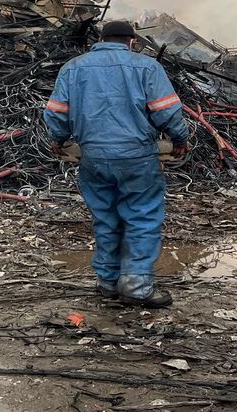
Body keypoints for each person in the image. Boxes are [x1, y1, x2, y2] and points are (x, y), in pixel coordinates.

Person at [44, 20, 189, 308]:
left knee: (106, 217)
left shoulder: (73, 67)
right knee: (142, 218)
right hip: (137, 157)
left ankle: (108, 282)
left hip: (93, 157)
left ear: (100, 39)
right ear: (132, 41)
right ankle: (135, 286)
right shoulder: (147, 67)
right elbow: (167, 112)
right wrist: (179, 138)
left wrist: (58, 139)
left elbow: (57, 113)